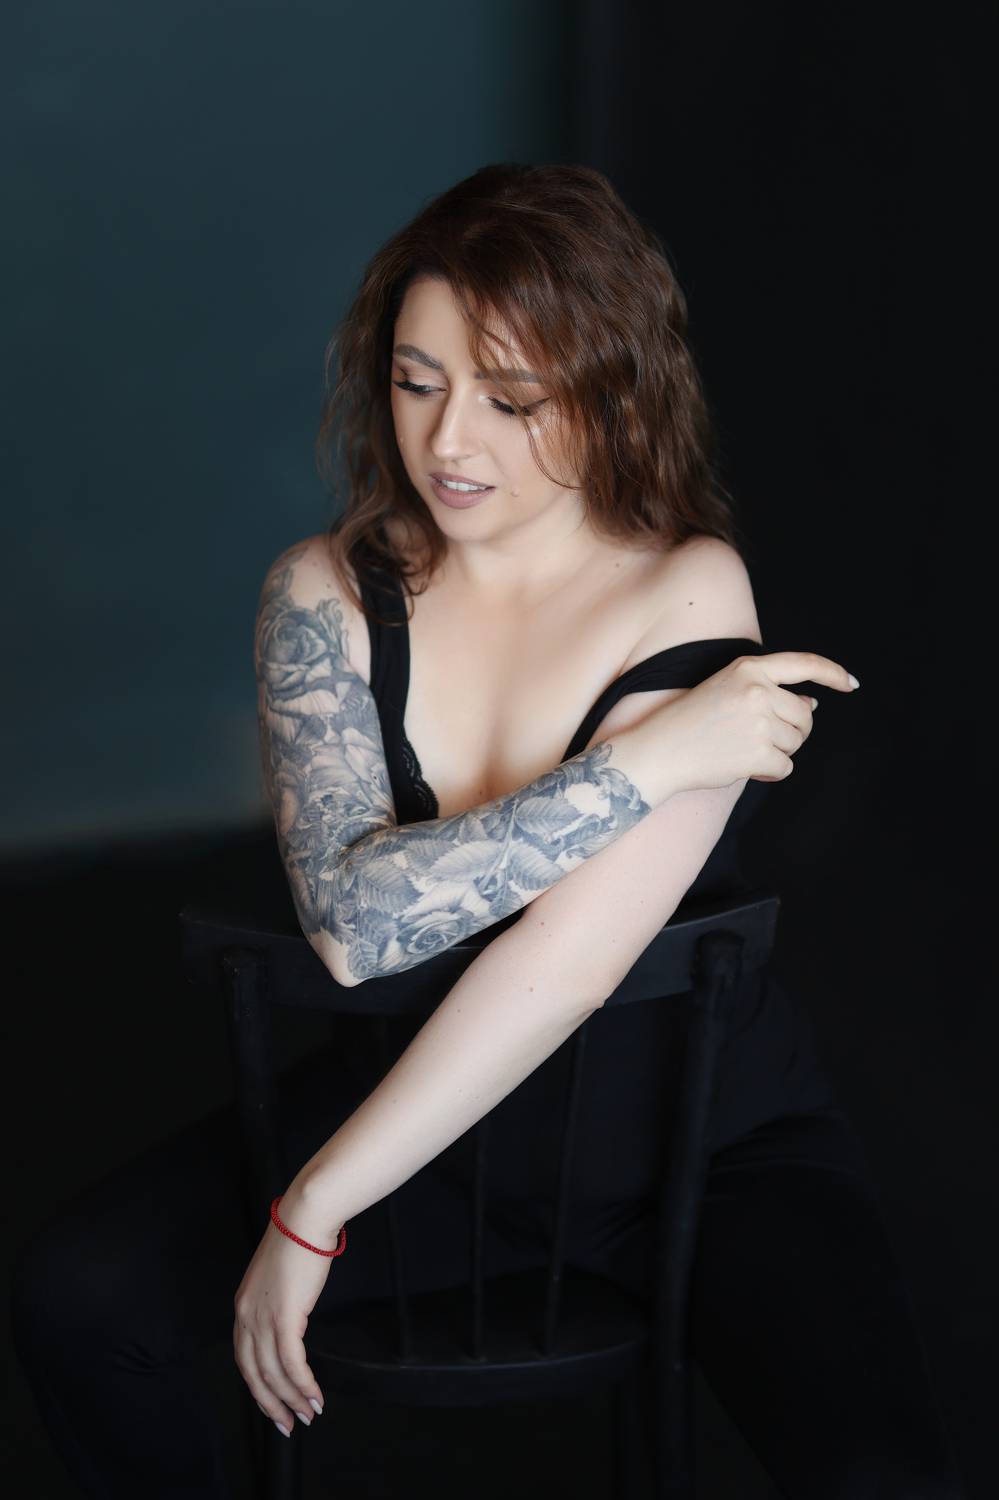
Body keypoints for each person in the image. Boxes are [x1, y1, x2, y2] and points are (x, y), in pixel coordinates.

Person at [11, 163, 965, 1498]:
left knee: (883, 1475)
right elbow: (354, 929)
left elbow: (565, 964)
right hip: (423, 1125)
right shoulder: (323, 593)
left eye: (511, 400)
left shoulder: (690, 586)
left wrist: (313, 1206)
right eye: (419, 383)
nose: (451, 443)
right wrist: (655, 759)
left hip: (691, 1145)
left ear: (613, 392)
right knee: (77, 1300)